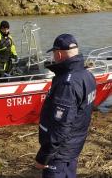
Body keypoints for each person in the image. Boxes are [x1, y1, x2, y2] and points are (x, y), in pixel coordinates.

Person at [35, 34, 96, 178]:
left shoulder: (67, 83)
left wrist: (44, 156)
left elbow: (60, 125)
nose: (54, 58)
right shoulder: (87, 76)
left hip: (59, 155)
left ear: (59, 54)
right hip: (73, 148)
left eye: (54, 54)